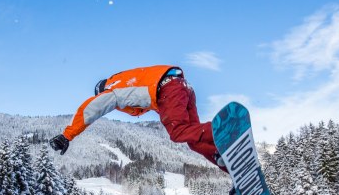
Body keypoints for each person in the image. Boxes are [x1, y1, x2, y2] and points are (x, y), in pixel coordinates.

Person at [49, 66, 226, 170]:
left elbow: (92, 108)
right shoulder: (131, 84)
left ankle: (226, 127)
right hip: (182, 88)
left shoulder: (113, 88)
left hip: (169, 87)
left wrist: (67, 136)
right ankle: (228, 163)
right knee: (193, 138)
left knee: (178, 132)